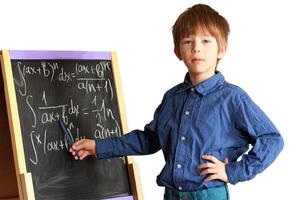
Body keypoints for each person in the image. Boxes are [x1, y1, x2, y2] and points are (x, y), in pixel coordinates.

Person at [70, 4, 284, 200]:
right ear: (177, 51)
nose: (196, 48)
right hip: (171, 195)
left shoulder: (233, 98)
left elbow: (272, 139)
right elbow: (150, 139)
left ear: (222, 48)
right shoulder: (172, 97)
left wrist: (233, 171)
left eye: (206, 41)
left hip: (207, 195)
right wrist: (99, 146)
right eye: (188, 41)